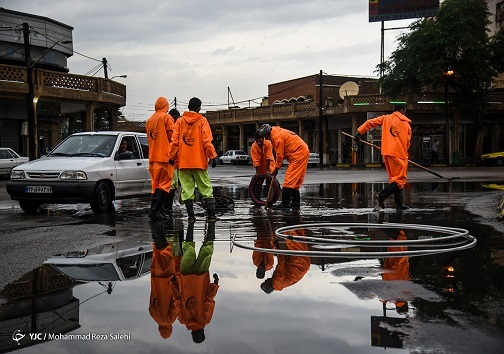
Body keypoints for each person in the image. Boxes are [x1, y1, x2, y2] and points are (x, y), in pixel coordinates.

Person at [169, 97, 218, 222]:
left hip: (183, 163)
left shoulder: (179, 122)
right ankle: (211, 216)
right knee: (206, 189)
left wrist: (171, 157)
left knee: (187, 190)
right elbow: (207, 141)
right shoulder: (202, 121)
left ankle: (191, 217)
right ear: (199, 108)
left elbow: (174, 142)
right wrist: (213, 156)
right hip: (199, 163)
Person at [354, 104, 411, 211]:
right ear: (402, 111)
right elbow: (408, 142)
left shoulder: (386, 118)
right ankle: (382, 195)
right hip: (399, 153)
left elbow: (370, 122)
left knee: (395, 179)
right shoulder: (406, 124)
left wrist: (359, 132)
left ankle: (399, 204)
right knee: (400, 180)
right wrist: (405, 153)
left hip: (387, 152)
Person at [175, 221, 219, 343]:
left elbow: (209, 300)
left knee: (207, 249)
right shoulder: (183, 320)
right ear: (192, 334)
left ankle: (212, 222)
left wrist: (215, 284)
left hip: (201, 279)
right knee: (188, 248)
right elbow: (177, 300)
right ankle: (190, 222)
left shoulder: (205, 320)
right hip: (186, 278)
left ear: (203, 332)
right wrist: (173, 282)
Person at [256, 124, 309, 208]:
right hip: (302, 151)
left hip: (298, 153)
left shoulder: (277, 137)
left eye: (265, 137)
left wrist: (276, 168)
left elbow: (279, 155)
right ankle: (295, 203)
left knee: (289, 179)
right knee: (296, 180)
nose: (266, 139)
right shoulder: (276, 133)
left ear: (266, 135)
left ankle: (285, 203)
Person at [149, 221, 180, 339]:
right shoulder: (152, 315)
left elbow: (175, 303)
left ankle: (157, 224)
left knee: (166, 253)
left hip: (167, 281)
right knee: (157, 253)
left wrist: (175, 284)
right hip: (156, 280)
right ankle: (156, 228)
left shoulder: (169, 320)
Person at [146, 97, 175, 220]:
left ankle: (158, 211)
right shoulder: (166, 117)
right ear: (166, 106)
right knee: (164, 186)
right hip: (165, 158)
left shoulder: (150, 120)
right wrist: (174, 155)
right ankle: (155, 212)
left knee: (156, 186)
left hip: (153, 158)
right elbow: (172, 138)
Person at [164, 109, 182, 214]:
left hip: (178, 161)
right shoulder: (170, 127)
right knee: (173, 183)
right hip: (172, 161)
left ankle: (175, 200)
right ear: (174, 117)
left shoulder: (175, 127)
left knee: (179, 183)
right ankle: (170, 203)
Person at [250, 131, 275, 199]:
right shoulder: (254, 146)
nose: (259, 140)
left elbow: (268, 157)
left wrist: (267, 171)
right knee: (258, 181)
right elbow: (256, 161)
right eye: (257, 139)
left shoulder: (268, 143)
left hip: (270, 165)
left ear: (263, 138)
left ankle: (269, 198)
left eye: (260, 138)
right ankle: (257, 198)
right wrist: (257, 173)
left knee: (269, 180)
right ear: (255, 139)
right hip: (260, 167)